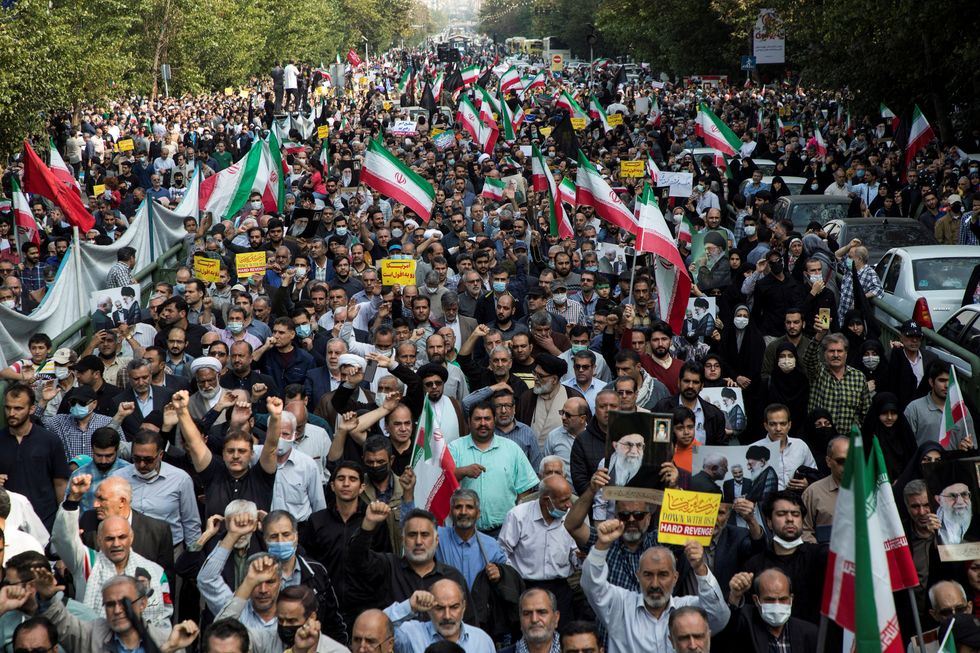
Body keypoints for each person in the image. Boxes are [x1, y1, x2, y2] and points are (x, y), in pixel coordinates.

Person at [580, 519, 729, 653]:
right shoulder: (620, 606)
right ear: (638, 577)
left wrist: (700, 568)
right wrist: (601, 546)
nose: (655, 584)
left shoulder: (688, 609)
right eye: (648, 575)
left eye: (663, 575)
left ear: (675, 577)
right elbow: (591, 585)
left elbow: (718, 615)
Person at [52, 475, 172, 625]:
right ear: (100, 540)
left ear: (131, 538)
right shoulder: (88, 563)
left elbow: (163, 619)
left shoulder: (155, 572)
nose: (116, 544)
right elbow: (64, 540)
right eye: (109, 538)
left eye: (122, 537)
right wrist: (73, 499)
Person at [30, 569, 199, 653]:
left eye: (124, 603)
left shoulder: (166, 640)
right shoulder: (90, 634)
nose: (118, 610)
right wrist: (47, 598)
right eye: (110, 604)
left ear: (143, 604)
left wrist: (169, 648)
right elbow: (60, 622)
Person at [497, 476, 578, 626]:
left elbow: (575, 553)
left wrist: (579, 557)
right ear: (546, 500)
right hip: (525, 587)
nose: (568, 505)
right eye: (563, 501)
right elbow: (502, 552)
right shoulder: (518, 515)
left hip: (560, 589)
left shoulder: (571, 517)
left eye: (569, 499)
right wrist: (514, 581)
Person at [449, 402, 540, 534]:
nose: (483, 423)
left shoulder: (512, 448)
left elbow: (524, 490)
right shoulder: (454, 448)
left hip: (504, 531)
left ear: (494, 421)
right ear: (469, 421)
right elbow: (441, 482)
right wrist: (462, 471)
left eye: (487, 418)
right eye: (477, 419)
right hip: (463, 531)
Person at [743, 490, 827, 623]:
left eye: (796, 514)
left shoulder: (820, 557)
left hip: (812, 640)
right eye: (781, 514)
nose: (790, 519)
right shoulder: (755, 565)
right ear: (769, 522)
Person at [0, 383, 69, 531]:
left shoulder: (50, 440)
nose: (11, 413)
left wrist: (64, 521)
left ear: (31, 409)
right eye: (8, 407)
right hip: (8, 524)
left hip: (45, 521)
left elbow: (60, 484)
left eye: (18, 408)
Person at [382, 582, 495, 653]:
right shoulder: (411, 635)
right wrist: (409, 606)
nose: (447, 616)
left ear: (464, 607)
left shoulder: (482, 641)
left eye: (454, 607)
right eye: (439, 608)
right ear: (429, 609)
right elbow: (375, 627)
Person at [724, 568, 818, 652]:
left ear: (791, 599)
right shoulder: (746, 625)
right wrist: (735, 596)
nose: (777, 605)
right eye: (770, 600)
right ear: (756, 600)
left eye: (783, 599)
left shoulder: (809, 634)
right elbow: (728, 630)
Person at [905, 361, 976, 449]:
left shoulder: (962, 409)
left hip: (954, 462)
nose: (947, 385)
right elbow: (906, 447)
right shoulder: (914, 408)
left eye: (951, 380)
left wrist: (969, 448)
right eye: (942, 380)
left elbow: (972, 445)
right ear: (931, 382)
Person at [801, 436, 848, 544]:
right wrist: (821, 553)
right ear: (828, 461)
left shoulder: (868, 492)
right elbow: (804, 531)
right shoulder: (813, 493)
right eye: (841, 461)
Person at [497, 589, 562, 653]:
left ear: (556, 618)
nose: (534, 619)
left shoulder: (569, 649)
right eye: (527, 613)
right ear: (520, 619)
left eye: (542, 612)